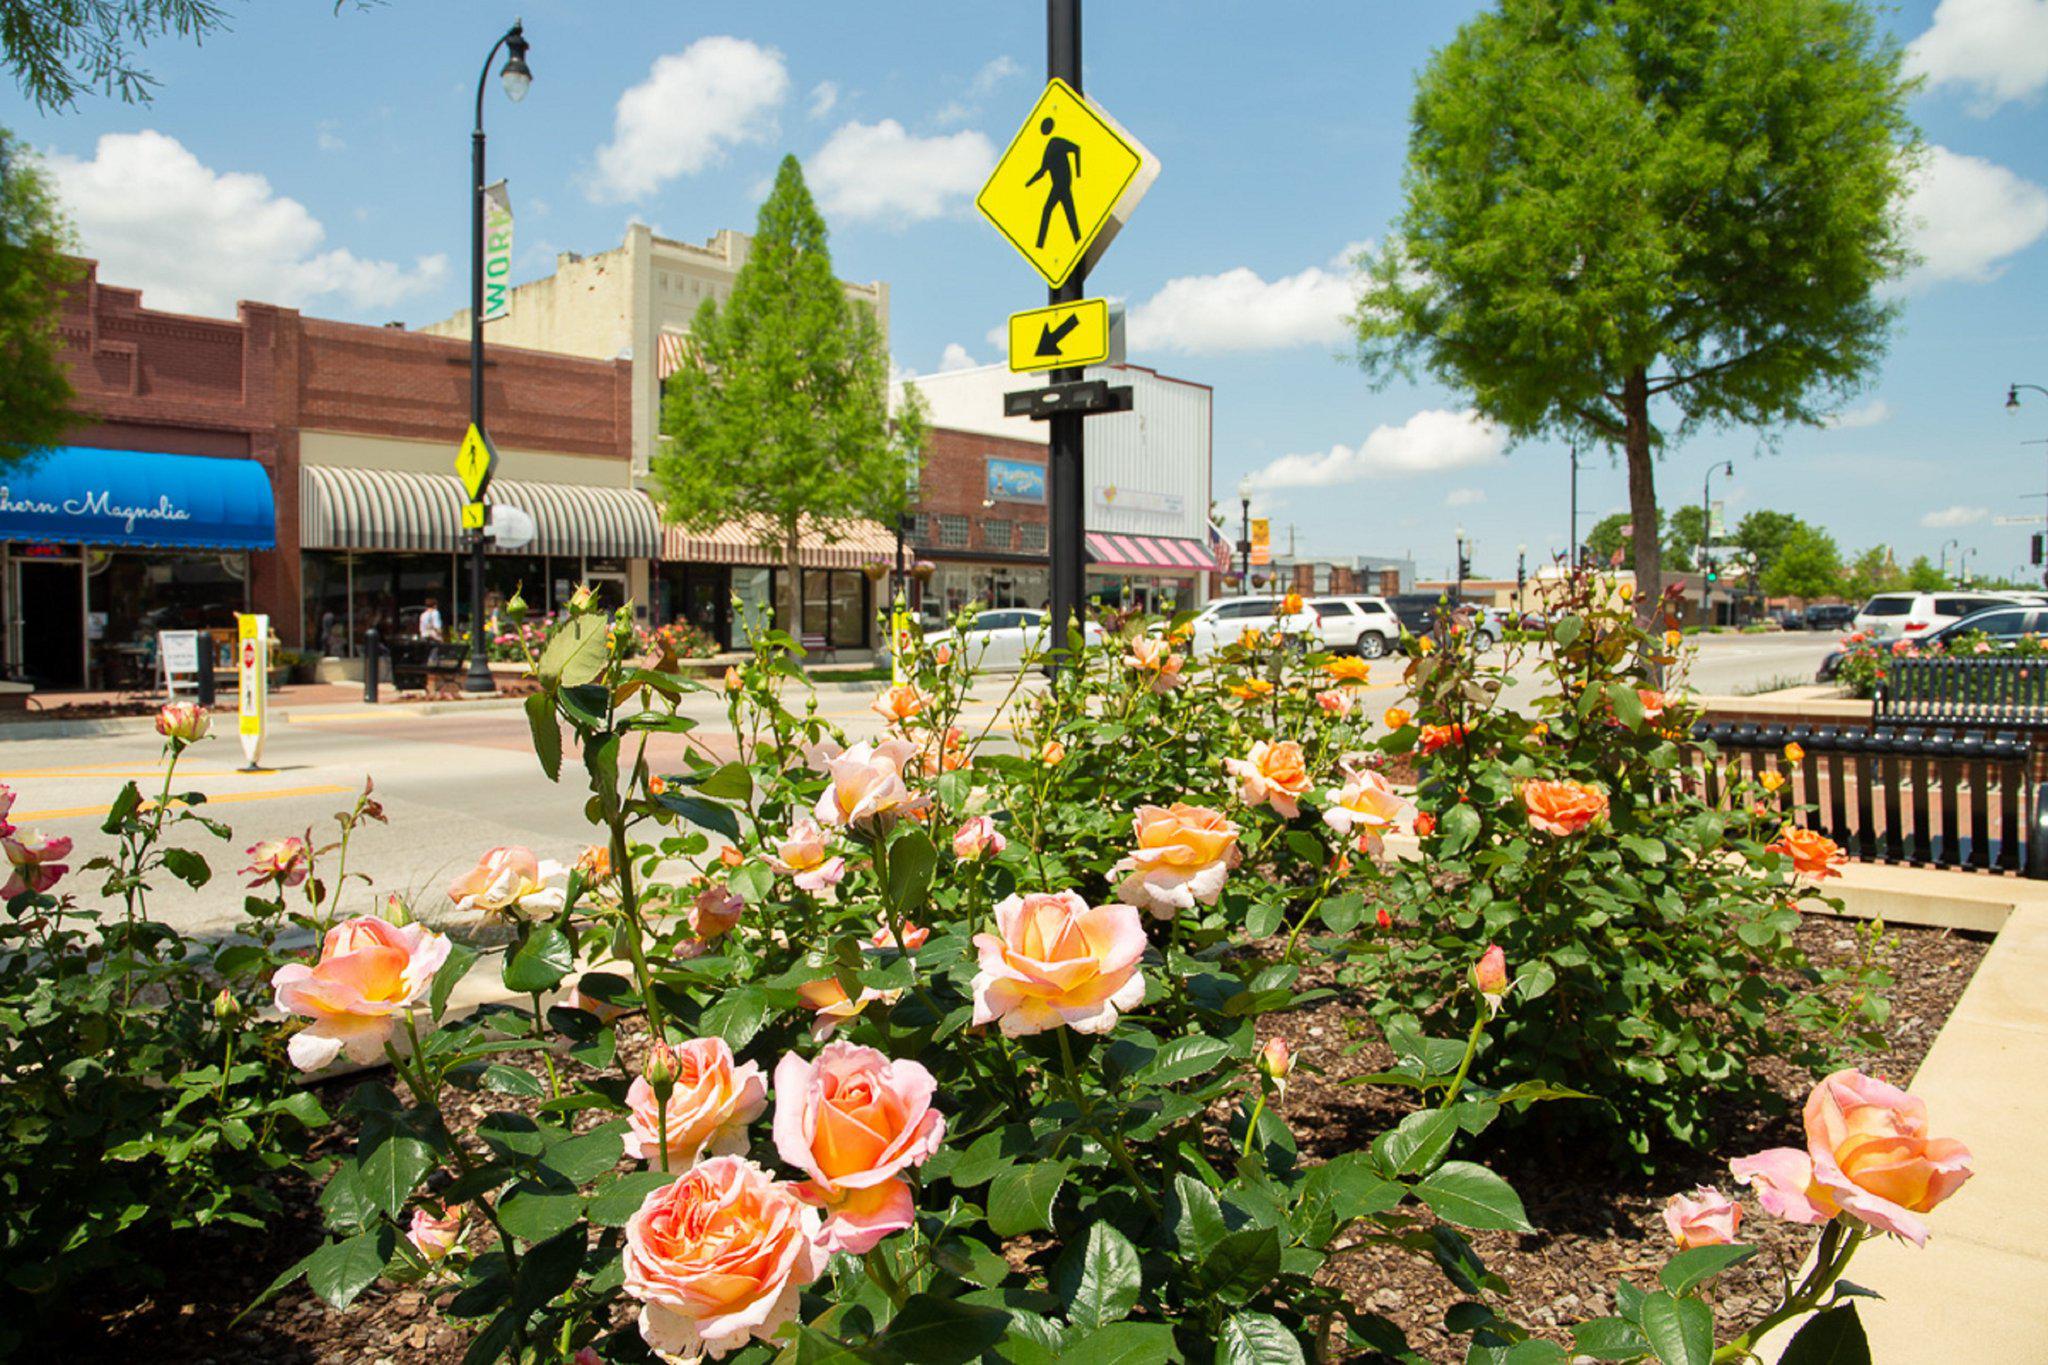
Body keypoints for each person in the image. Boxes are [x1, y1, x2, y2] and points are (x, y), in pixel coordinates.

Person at [1027, 116, 1081, 249]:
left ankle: (1040, 244)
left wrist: (1078, 172)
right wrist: (1029, 182)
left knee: (1050, 211)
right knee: (1069, 214)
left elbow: (1076, 149)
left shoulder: (1056, 142)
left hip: (1062, 184)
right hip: (1058, 186)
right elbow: (1042, 171)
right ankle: (1077, 240)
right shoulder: (1048, 150)